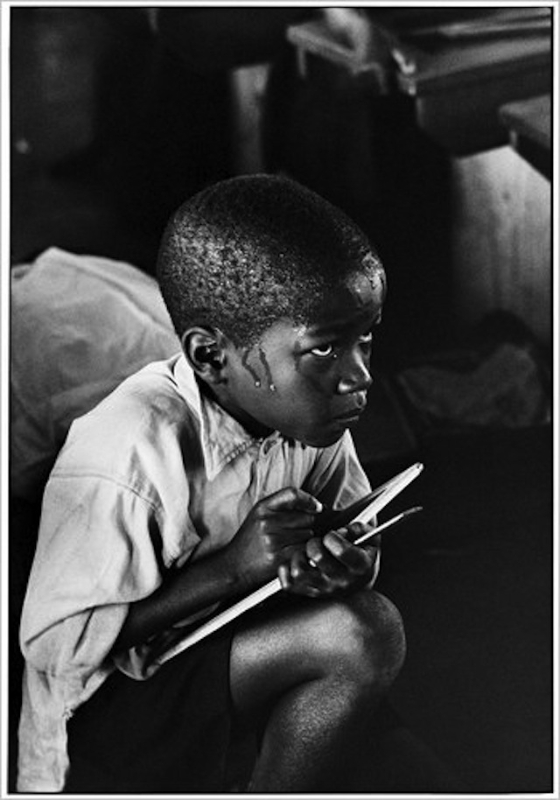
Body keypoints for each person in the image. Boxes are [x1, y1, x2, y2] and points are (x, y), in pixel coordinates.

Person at [18, 175, 436, 793]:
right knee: (361, 634)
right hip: (107, 713)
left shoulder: (310, 419)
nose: (359, 376)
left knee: (414, 765)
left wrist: (344, 566)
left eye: (365, 339)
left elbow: (357, 530)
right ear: (212, 357)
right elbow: (55, 647)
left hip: (222, 655)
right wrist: (234, 570)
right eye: (325, 350)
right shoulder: (133, 449)